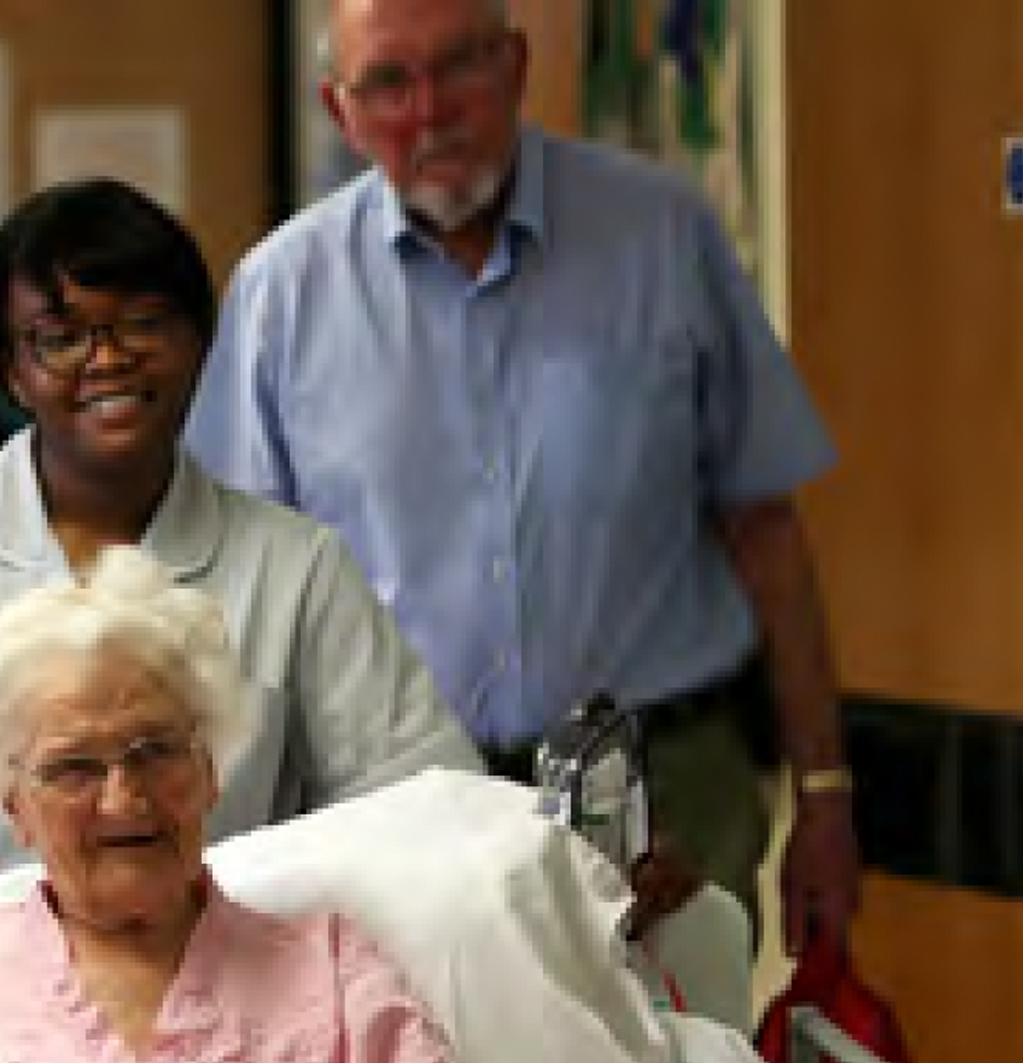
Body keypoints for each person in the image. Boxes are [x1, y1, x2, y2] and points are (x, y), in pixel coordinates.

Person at [184, 0, 857, 954]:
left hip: (668, 796)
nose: (431, 111)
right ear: (341, 112)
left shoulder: (662, 237)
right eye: (389, 82)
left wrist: (825, 792)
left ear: (517, 66)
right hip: (400, 818)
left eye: (460, 66)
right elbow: (241, 603)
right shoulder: (281, 296)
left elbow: (766, 528)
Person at [0, 176, 478, 883]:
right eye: (59, 337)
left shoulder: (296, 566)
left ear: (200, 343)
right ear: (12, 371)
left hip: (225, 1000)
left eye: (145, 323)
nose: (109, 359)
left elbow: (425, 809)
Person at [0, 546, 456, 1063]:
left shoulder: (333, 975)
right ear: (15, 805)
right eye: (74, 767)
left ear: (211, 768)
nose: (124, 797)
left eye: (157, 750)